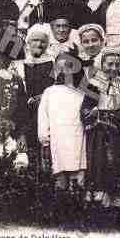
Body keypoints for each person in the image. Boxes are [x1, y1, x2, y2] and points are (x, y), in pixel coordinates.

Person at [80, 47, 120, 206]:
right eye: (109, 64)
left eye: (117, 64)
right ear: (102, 64)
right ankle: (97, 200)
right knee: (100, 161)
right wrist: (92, 114)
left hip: (117, 128)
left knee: (117, 161)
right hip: (99, 129)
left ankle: (116, 202)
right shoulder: (94, 83)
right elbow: (85, 107)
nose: (113, 68)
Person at [38, 52, 87, 190]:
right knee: (59, 183)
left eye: (68, 67)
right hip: (57, 143)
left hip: (78, 142)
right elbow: (43, 118)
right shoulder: (50, 92)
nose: (63, 71)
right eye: (59, 68)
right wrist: (45, 140)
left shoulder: (82, 93)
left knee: (77, 183)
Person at [8, 25, 54, 170]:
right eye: (35, 40)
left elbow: (59, 87)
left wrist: (44, 97)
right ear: (28, 42)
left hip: (47, 112)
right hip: (24, 113)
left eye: (43, 41)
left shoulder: (54, 63)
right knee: (25, 149)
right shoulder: (18, 63)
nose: (39, 44)